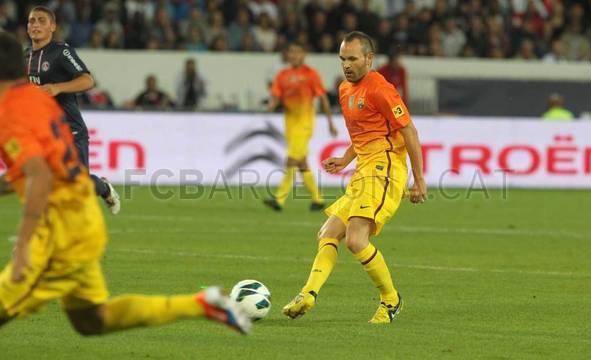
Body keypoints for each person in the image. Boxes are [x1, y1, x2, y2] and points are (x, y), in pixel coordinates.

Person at [0, 32, 252, 336]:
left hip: (59, 229)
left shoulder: (11, 111)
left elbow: (40, 176)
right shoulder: (36, 99)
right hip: (82, 218)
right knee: (93, 320)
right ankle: (202, 304)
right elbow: (35, 170)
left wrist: (24, 243)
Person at [282, 31, 427, 324]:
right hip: (363, 169)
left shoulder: (381, 89)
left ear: (368, 59)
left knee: (356, 240)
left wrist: (419, 179)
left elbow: (409, 131)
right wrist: (345, 158)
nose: (346, 65)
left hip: (385, 168)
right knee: (328, 233)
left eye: (352, 58)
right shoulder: (345, 89)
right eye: (342, 59)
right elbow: (363, 133)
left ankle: (391, 300)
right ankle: (308, 294)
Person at [24, 6, 120, 215]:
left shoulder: (61, 51)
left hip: (70, 129)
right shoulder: (27, 56)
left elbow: (88, 80)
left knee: (78, 184)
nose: (36, 25)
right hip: (45, 133)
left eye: (41, 20)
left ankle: (103, 188)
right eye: (32, 21)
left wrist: (58, 87)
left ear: (53, 26)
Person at [263, 42, 338, 212]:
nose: (294, 55)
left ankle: (279, 199)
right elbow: (275, 97)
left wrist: (330, 122)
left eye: (298, 52)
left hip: (305, 123)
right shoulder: (282, 75)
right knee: (302, 163)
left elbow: (323, 98)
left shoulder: (311, 74)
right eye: (291, 52)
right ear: (287, 55)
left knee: (291, 160)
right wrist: (269, 107)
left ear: (304, 55)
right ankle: (317, 199)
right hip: (289, 123)